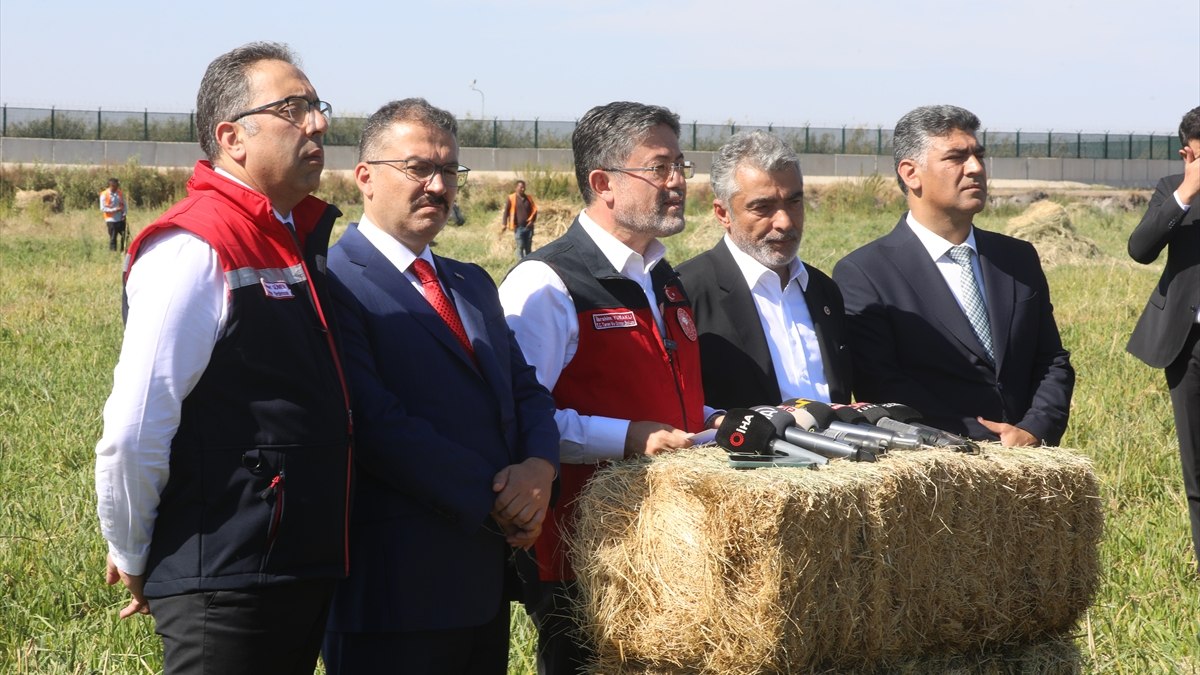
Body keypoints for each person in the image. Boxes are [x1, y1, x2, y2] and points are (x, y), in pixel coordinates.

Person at [94, 42, 351, 674]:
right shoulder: (195, 246)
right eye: (294, 108)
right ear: (232, 136)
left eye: (318, 106)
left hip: (290, 565)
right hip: (225, 575)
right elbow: (134, 426)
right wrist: (131, 549)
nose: (317, 123)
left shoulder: (289, 237)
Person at [321, 98, 560, 674]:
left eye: (449, 170)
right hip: (392, 590)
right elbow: (374, 421)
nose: (436, 185)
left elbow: (526, 389)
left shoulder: (471, 282)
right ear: (365, 177)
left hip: (480, 586)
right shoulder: (332, 282)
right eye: (417, 168)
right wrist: (496, 499)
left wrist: (540, 470)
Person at [499, 100, 716, 674]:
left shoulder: (662, 277)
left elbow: (659, 388)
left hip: (669, 537)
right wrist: (628, 437)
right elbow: (521, 419)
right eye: (660, 167)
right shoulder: (545, 283)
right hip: (583, 552)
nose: (677, 183)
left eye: (681, 166)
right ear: (604, 183)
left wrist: (712, 419)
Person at [832, 104, 1074, 446]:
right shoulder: (866, 273)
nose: (975, 168)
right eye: (956, 158)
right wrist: (976, 442)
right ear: (910, 173)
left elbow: (1051, 359)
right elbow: (882, 384)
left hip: (1029, 458)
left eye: (978, 155)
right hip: (938, 469)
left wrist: (1035, 428)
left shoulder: (1017, 258)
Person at [677, 130, 850, 410]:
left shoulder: (824, 291)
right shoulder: (686, 292)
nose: (784, 221)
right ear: (723, 214)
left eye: (794, 202)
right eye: (763, 207)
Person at [1126, 105, 1200, 573]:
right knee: (1197, 468)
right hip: (1188, 343)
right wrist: (1187, 192)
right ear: (1188, 153)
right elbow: (1140, 249)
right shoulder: (1172, 189)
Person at [502, 179, 539, 259]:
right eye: (521, 187)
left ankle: (528, 262)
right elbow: (506, 212)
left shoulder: (529, 198)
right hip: (518, 227)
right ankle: (520, 263)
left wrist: (532, 221)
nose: (523, 189)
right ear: (516, 188)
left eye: (524, 187)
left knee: (528, 248)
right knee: (520, 246)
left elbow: (535, 210)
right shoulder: (511, 198)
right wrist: (504, 224)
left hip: (529, 228)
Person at [100, 177, 127, 251]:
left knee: (125, 235)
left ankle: (123, 251)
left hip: (120, 219)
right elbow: (103, 208)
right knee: (113, 237)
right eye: (116, 186)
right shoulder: (104, 194)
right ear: (111, 185)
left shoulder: (119, 193)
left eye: (118, 186)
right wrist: (115, 209)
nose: (117, 187)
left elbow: (124, 204)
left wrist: (124, 213)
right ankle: (113, 253)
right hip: (111, 220)